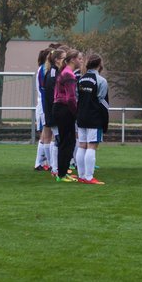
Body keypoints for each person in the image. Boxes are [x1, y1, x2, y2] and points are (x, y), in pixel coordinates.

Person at [74, 54, 110, 185]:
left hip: (81, 117)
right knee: (92, 146)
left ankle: (81, 176)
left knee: (82, 145)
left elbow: (77, 98)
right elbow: (102, 102)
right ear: (99, 65)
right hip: (94, 118)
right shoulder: (101, 81)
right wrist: (105, 120)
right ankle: (89, 177)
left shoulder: (81, 79)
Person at [51, 48, 80, 183]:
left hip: (59, 108)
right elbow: (70, 98)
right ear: (73, 60)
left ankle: (63, 172)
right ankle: (61, 174)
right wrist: (76, 113)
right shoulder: (69, 75)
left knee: (67, 142)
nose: (81, 61)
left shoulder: (64, 72)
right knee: (67, 143)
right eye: (79, 58)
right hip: (64, 110)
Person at [33, 46, 54, 171]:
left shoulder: (44, 69)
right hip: (43, 106)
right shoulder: (43, 70)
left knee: (45, 135)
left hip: (44, 106)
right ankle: (41, 163)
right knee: (45, 135)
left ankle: (43, 162)